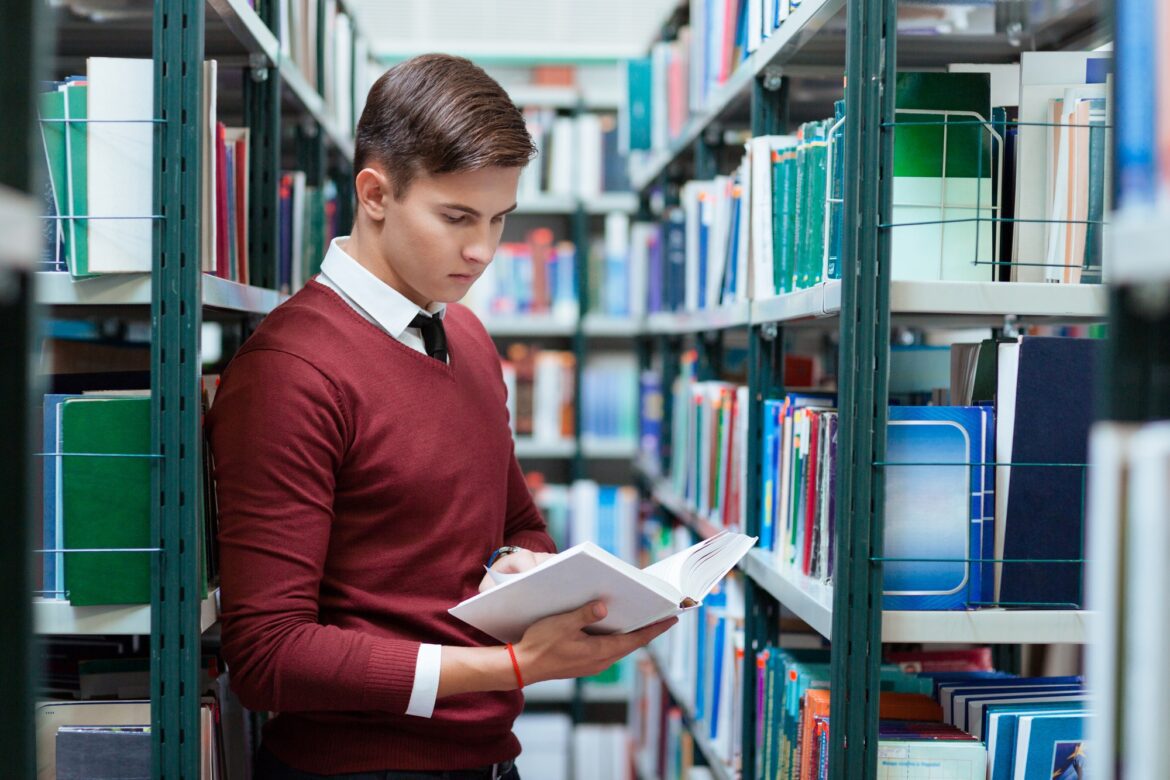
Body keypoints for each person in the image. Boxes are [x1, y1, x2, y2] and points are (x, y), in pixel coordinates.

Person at [205, 53, 676, 779]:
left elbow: (516, 523)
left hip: (489, 762)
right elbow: (269, 657)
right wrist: (515, 664)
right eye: (456, 217)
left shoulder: (470, 340)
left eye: (498, 219)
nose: (483, 250)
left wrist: (522, 569)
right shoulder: (289, 372)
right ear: (375, 193)